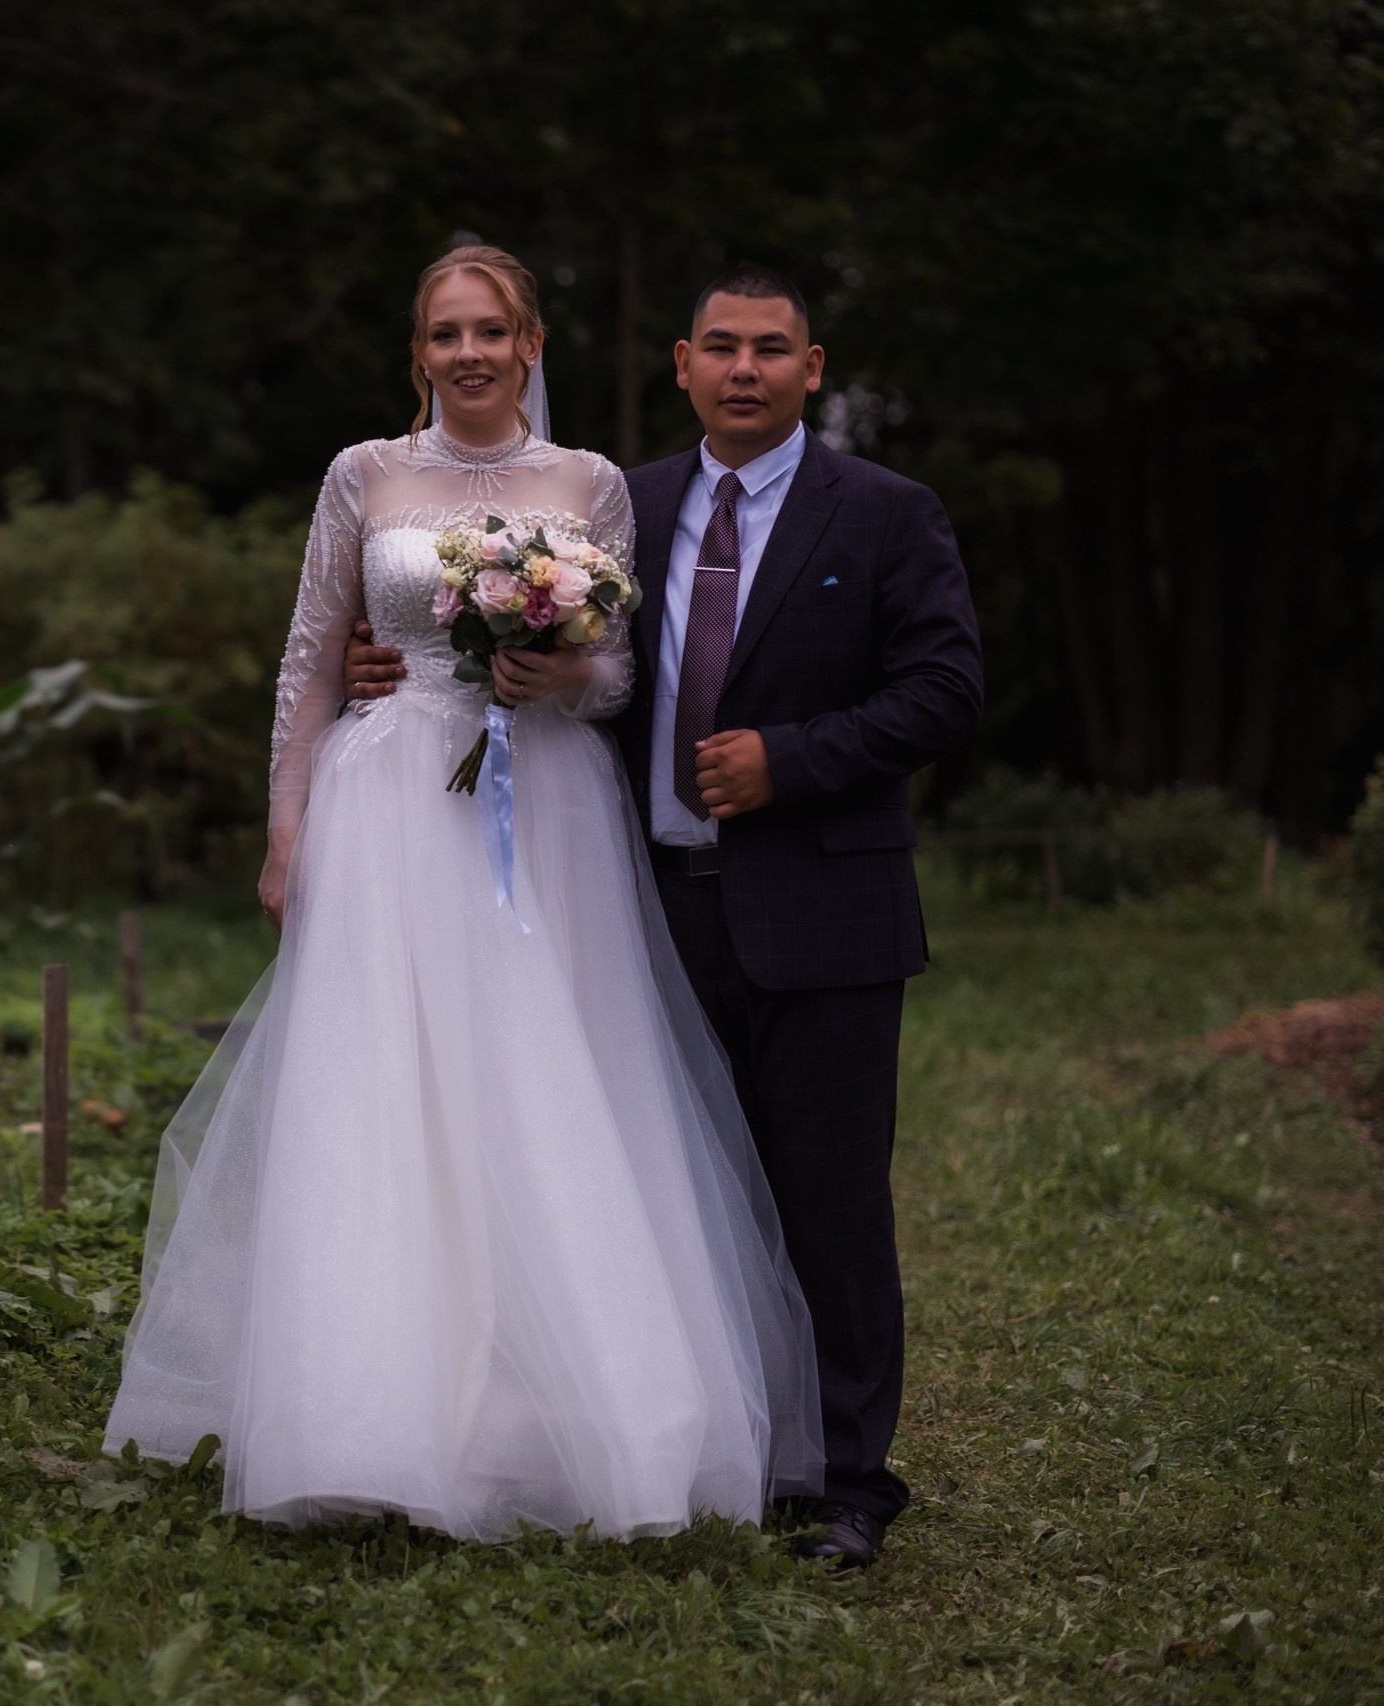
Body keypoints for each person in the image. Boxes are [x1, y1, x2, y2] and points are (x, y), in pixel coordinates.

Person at [103, 247, 826, 1543]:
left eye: (493, 329)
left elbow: (614, 681)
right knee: (385, 1087)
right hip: (384, 808)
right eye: (446, 333)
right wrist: (285, 830)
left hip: (543, 808)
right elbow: (307, 663)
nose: (471, 352)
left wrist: (557, 682)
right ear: (419, 353)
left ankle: (568, 1417)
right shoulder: (362, 475)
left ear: (533, 343)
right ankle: (369, 1415)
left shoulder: (589, 485)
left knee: (549, 1076)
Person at [342, 264, 985, 1566]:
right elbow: (600, 674)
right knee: (680, 1190)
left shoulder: (886, 512)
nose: (744, 369)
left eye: (772, 349)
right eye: (721, 348)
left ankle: (850, 1481)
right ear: (683, 365)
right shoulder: (626, 500)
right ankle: (733, 1444)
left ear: (812, 369)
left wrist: (788, 760)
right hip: (649, 901)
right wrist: (409, 659)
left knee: (832, 1195)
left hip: (825, 909)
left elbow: (947, 689)